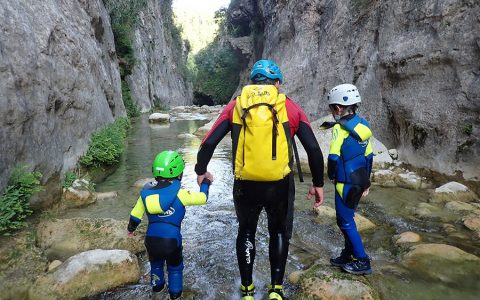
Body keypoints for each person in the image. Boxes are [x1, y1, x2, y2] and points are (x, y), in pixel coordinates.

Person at [195, 60, 324, 300]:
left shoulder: (236, 105)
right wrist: (318, 184)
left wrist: (200, 170)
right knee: (278, 232)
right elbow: (314, 150)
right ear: (277, 83)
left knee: (246, 232)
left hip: (245, 184)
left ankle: (247, 290)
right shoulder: (289, 107)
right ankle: (276, 290)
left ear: (252, 82)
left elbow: (209, 142)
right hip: (280, 184)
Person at [127, 151, 213, 299]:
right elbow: (203, 198)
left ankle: (157, 291)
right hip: (172, 241)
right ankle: (175, 295)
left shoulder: (146, 194)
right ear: (179, 174)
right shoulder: (181, 194)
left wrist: (131, 229)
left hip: (151, 239)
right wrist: (205, 182)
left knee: (156, 265)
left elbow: (135, 216)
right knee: (175, 269)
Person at [324, 83, 373, 275]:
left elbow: (334, 156)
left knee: (345, 221)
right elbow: (369, 156)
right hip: (359, 180)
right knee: (348, 217)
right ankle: (348, 253)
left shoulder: (340, 129)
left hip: (345, 182)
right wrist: (366, 182)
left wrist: (331, 176)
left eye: (332, 108)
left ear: (338, 108)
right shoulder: (363, 125)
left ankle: (362, 260)